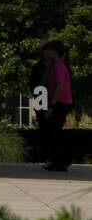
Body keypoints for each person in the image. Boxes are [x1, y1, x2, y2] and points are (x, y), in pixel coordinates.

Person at [39, 41, 73, 172]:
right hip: (58, 102)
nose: (45, 53)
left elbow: (59, 86)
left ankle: (61, 160)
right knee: (53, 131)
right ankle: (57, 160)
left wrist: (52, 104)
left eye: (48, 50)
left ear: (55, 51)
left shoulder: (59, 67)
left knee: (55, 131)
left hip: (61, 103)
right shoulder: (55, 66)